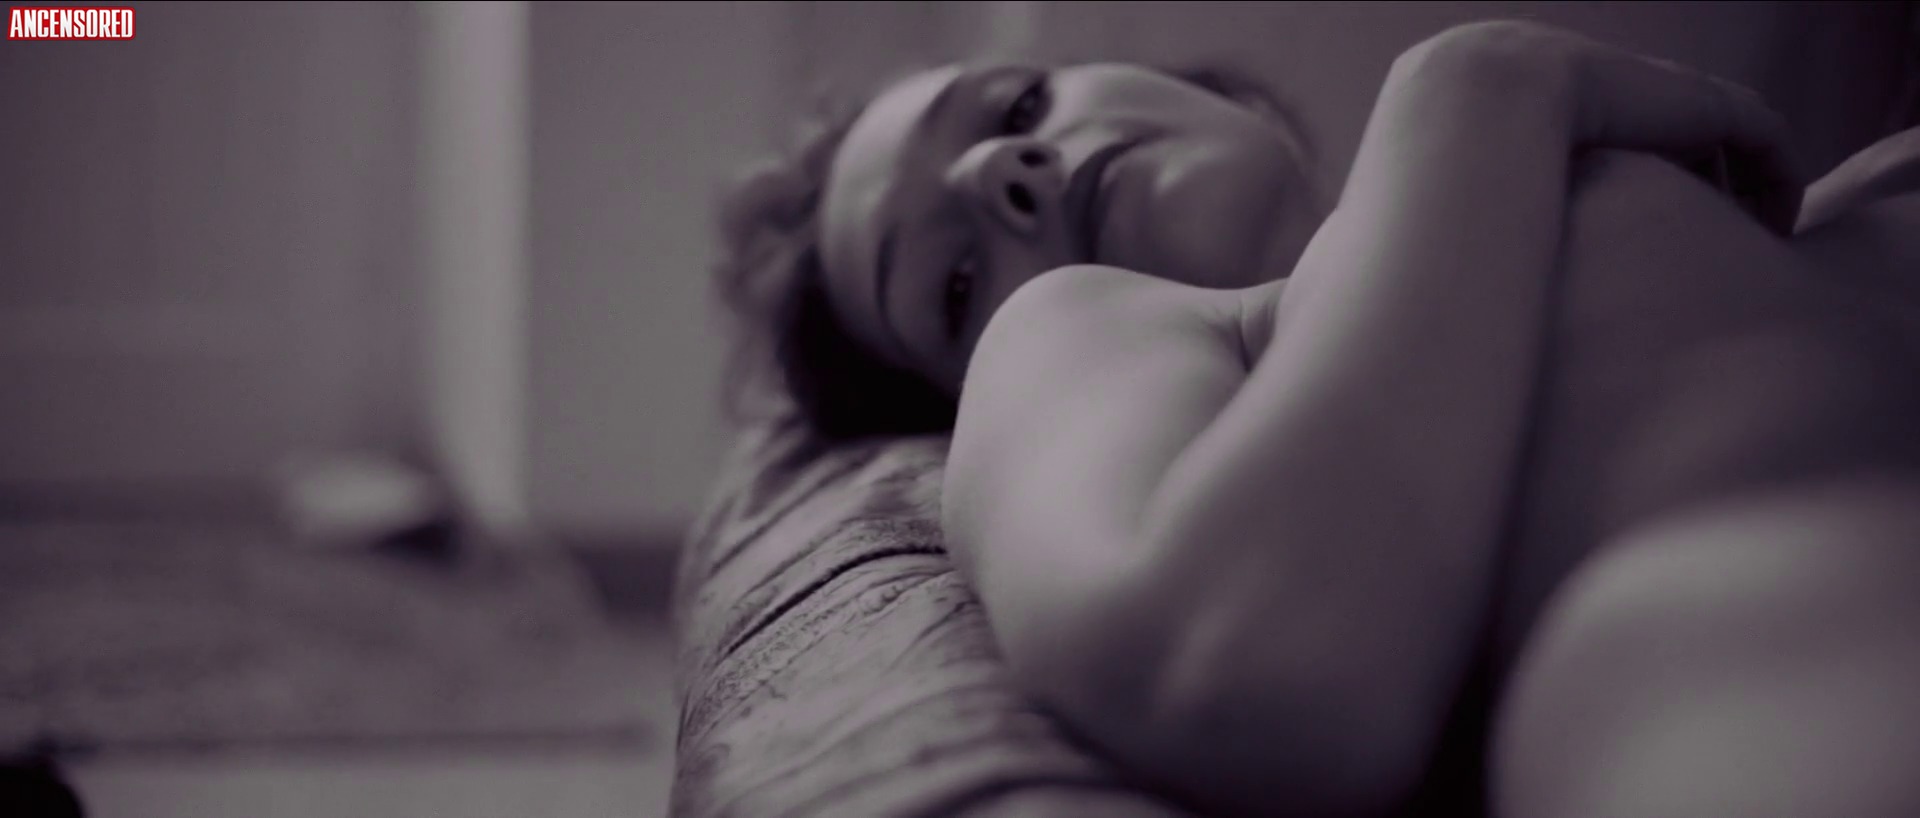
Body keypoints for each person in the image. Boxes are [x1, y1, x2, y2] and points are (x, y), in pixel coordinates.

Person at [715, 20, 1920, 818]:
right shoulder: (1107, 326)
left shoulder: (1611, 196)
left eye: (1018, 103)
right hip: (1777, 653)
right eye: (952, 284)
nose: (1002, 170)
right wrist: (1474, 85)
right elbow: (1236, 661)